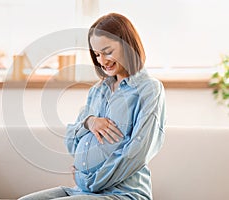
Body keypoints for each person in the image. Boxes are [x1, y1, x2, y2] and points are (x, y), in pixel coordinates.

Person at [19, 12, 166, 200]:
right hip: (83, 189)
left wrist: (92, 181)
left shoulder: (149, 89)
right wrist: (89, 122)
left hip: (123, 193)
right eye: (97, 54)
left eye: (108, 51)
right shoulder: (98, 91)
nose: (102, 61)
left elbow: (138, 152)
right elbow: (71, 141)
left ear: (128, 45)